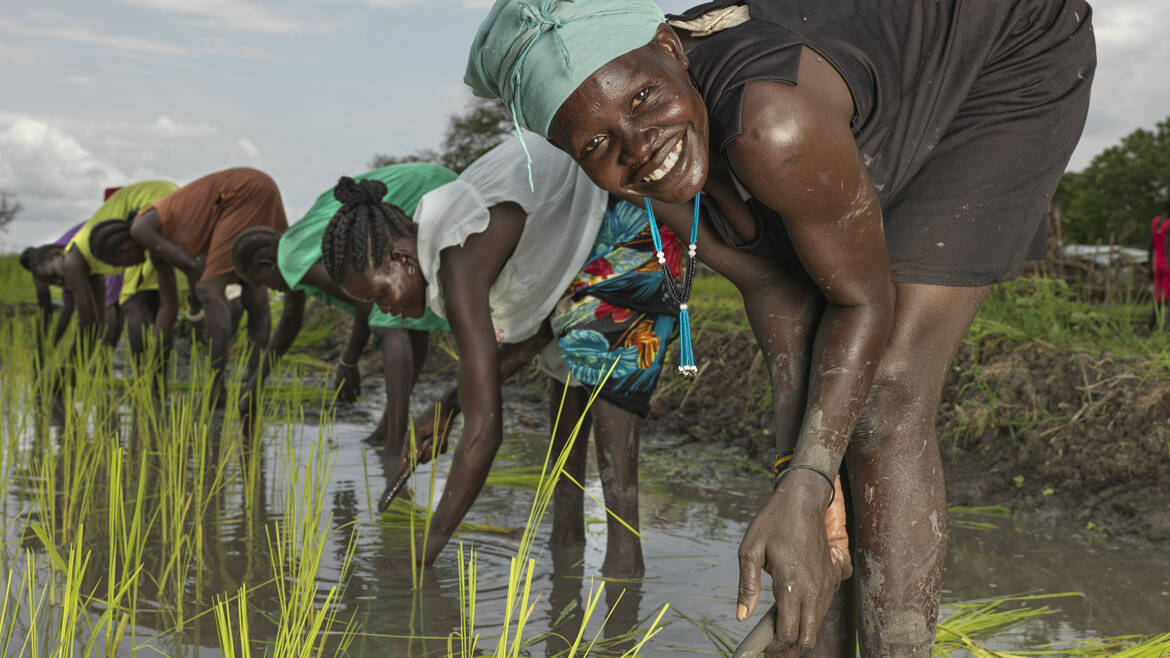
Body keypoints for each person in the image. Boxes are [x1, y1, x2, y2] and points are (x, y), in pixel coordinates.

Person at [465, 0, 1095, 654]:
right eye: (595, 143)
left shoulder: (774, 127)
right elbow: (777, 300)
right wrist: (798, 487)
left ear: (670, 47)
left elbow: (861, 305)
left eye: (644, 97)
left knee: (888, 395)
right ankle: (813, 635)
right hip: (873, 81)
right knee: (825, 432)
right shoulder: (639, 173)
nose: (638, 145)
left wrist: (808, 484)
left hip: (1008, 44)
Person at [323, 135, 690, 575]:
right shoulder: (446, 232)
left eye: (382, 294)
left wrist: (423, 555)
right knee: (565, 369)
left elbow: (485, 433)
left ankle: (623, 566)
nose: (386, 310)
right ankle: (566, 543)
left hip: (631, 220)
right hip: (589, 233)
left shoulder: (457, 256)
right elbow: (533, 337)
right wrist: (447, 407)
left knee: (603, 369)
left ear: (401, 257)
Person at [231, 162, 457, 449]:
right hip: (437, 182)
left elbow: (366, 304)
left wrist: (349, 361)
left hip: (425, 193)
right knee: (409, 322)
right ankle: (387, 432)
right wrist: (255, 385)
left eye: (263, 281)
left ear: (266, 263)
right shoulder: (295, 248)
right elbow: (289, 321)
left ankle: (393, 442)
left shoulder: (289, 258)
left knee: (386, 322)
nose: (272, 289)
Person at [89, 168, 288, 398]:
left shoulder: (141, 227)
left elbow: (195, 271)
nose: (130, 268)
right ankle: (252, 387)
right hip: (254, 190)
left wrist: (204, 308)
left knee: (210, 288)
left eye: (122, 263)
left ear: (123, 248)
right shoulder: (157, 251)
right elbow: (168, 305)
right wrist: (155, 369)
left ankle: (215, 389)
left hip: (241, 191)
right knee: (252, 288)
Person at [60, 181, 179, 355]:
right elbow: (95, 320)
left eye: (119, 265)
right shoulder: (104, 231)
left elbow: (91, 323)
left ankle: (144, 369)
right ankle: (152, 372)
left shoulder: (90, 246)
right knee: (158, 303)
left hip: (162, 220)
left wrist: (68, 371)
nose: (124, 268)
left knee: (133, 302)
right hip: (170, 214)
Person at [1149, 200, 1170, 327]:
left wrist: (1149, 268)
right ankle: (1167, 330)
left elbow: (1150, 245)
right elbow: (1168, 247)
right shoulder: (1169, 225)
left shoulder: (1156, 222)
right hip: (1168, 264)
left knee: (1159, 297)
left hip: (1157, 264)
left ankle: (1151, 326)